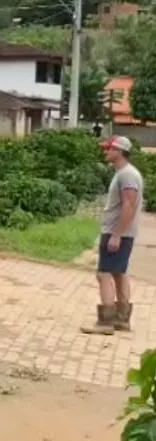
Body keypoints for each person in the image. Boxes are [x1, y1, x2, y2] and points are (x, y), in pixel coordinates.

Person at [82, 136, 145, 335]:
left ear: (119, 151)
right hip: (122, 232)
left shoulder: (126, 175)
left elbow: (129, 204)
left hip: (117, 232)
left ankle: (106, 322)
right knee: (118, 273)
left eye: (109, 148)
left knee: (103, 274)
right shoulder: (125, 173)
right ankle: (122, 319)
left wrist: (117, 234)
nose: (105, 152)